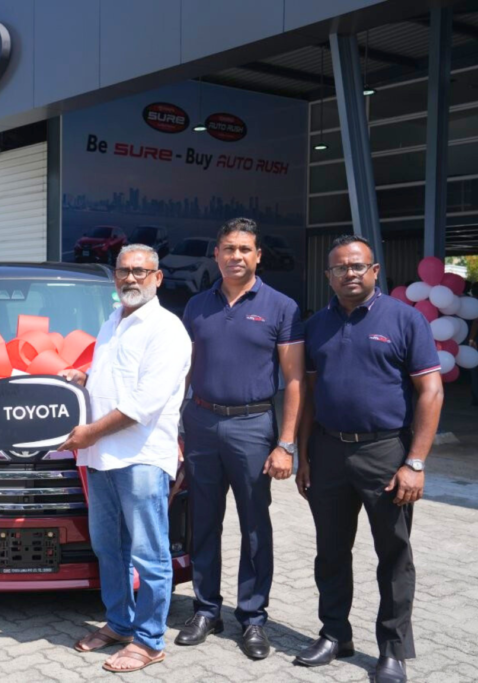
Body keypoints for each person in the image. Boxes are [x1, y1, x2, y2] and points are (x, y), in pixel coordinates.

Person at [294, 235, 443, 683]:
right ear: (328, 276)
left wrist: (415, 463)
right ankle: (334, 634)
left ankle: (392, 650)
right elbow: (310, 395)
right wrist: (304, 456)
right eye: (340, 267)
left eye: (358, 265)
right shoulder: (316, 325)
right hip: (328, 451)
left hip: (386, 453)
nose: (350, 273)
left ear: (375, 270)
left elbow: (431, 391)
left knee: (393, 554)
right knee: (330, 551)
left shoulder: (405, 319)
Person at [60, 244, 191, 674]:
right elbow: (113, 380)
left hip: (141, 458)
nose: (130, 278)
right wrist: (84, 378)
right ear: (115, 276)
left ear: (158, 278)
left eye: (140, 271)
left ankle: (149, 640)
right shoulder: (112, 321)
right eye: (124, 271)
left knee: (149, 552)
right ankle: (119, 623)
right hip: (102, 457)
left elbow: (144, 403)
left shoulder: (167, 329)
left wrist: (88, 434)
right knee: (109, 548)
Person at [176, 218, 304, 659]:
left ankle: (252, 618)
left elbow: (295, 380)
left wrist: (286, 443)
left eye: (245, 249)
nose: (236, 256)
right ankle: (206, 610)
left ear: (258, 256)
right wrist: (176, 426)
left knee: (254, 525)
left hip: (252, 426)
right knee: (203, 521)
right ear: (216, 254)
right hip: (201, 423)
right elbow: (184, 370)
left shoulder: (281, 307)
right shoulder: (197, 306)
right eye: (229, 248)